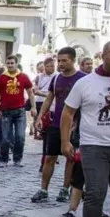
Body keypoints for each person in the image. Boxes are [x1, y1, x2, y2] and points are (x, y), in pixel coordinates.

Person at [61, 40, 110, 217]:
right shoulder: (86, 83)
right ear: (103, 56)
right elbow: (68, 112)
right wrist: (65, 141)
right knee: (96, 193)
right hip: (94, 146)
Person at [33, 47, 87, 203]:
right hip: (56, 124)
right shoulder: (56, 79)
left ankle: (65, 189)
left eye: (65, 60)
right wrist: (40, 117)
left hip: (75, 126)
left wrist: (78, 123)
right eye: (59, 60)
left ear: (73, 60)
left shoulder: (83, 79)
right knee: (49, 157)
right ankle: (43, 189)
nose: (61, 64)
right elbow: (50, 98)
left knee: (71, 158)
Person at [0, 55, 35, 167]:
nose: (10, 65)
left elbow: (30, 92)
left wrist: (33, 107)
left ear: (16, 63)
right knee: (6, 138)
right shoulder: (1, 78)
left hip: (20, 112)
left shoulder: (23, 77)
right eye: (8, 63)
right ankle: (3, 160)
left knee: (20, 137)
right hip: (6, 111)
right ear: (6, 64)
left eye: (12, 63)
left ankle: (17, 159)